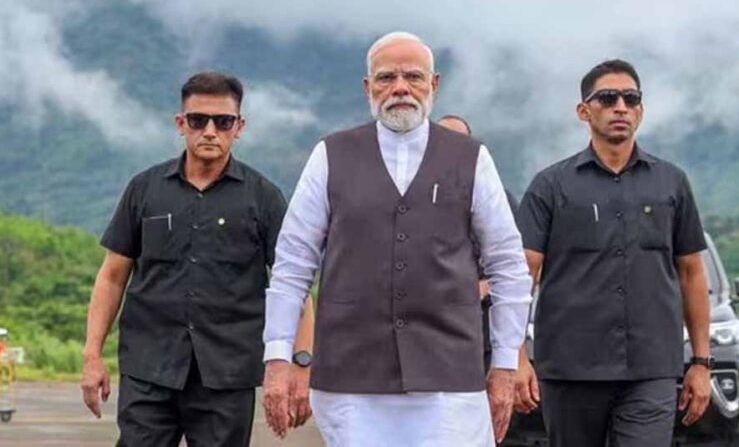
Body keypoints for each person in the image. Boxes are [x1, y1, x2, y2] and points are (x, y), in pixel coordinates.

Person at [262, 32, 533, 446]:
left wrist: (505, 364)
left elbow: (508, 265)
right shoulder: (330, 155)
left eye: (413, 77)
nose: (400, 88)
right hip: (351, 375)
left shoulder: (471, 158)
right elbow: (293, 263)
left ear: (433, 84)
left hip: (449, 377)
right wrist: (278, 357)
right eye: (387, 77)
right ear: (368, 87)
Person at [80, 72, 315, 447]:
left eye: (222, 122)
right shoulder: (144, 189)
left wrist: (300, 364)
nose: (209, 131)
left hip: (227, 375)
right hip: (149, 367)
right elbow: (112, 276)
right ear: (180, 123)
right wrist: (92, 355)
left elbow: (294, 287)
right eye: (197, 120)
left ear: (239, 127)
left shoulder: (264, 198)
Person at [514, 59, 712, 447]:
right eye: (607, 98)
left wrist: (702, 363)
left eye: (630, 98)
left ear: (640, 110)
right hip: (570, 370)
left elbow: (691, 272)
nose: (620, 107)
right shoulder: (550, 186)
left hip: (651, 369)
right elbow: (523, 275)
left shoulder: (672, 183)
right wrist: (516, 357)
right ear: (583, 111)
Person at [437, 114, 522, 371]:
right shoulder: (411, 199)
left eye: (459, 143)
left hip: (484, 333)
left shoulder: (498, 200)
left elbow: (517, 266)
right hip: (429, 335)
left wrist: (482, 287)